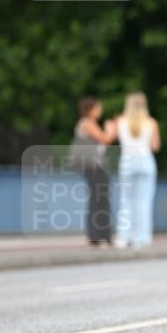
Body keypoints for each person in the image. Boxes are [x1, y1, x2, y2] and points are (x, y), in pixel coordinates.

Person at [107, 92, 161, 248]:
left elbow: (109, 139)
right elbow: (155, 146)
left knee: (126, 201)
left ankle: (123, 238)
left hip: (127, 162)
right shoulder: (151, 123)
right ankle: (142, 238)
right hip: (145, 162)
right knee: (144, 201)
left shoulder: (120, 121)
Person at [72, 96, 113, 246]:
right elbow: (105, 139)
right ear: (91, 110)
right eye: (98, 108)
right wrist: (110, 128)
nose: (100, 111)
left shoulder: (88, 123)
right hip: (94, 166)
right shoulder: (87, 123)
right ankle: (101, 235)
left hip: (93, 166)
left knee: (97, 199)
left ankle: (98, 235)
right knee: (100, 199)